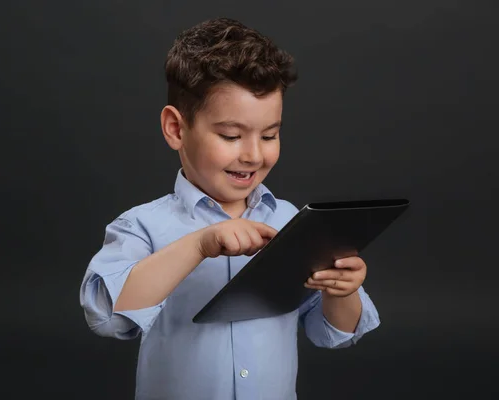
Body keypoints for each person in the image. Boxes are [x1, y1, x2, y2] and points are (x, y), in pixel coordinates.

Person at [80, 17, 380, 400]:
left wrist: (342, 291)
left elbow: (334, 335)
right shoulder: (143, 225)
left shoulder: (291, 221)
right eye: (231, 135)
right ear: (176, 129)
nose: (254, 154)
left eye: (270, 135)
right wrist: (199, 245)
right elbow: (107, 315)